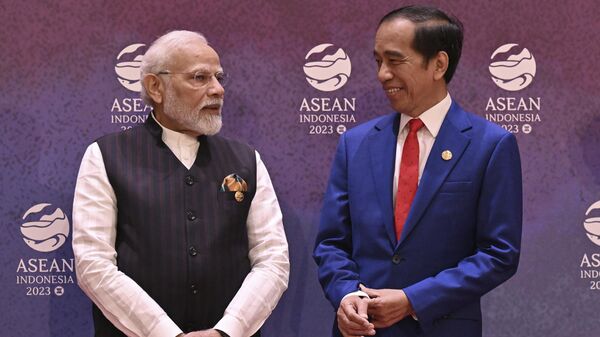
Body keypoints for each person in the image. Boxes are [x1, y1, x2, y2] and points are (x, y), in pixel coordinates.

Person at [313, 5, 522, 337]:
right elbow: (332, 243)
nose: (382, 74)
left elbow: (499, 254)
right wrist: (347, 295)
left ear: (438, 64)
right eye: (378, 61)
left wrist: (414, 300)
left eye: (395, 61)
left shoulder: (491, 145)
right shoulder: (355, 144)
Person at [72, 30, 289, 337]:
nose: (217, 90)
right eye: (200, 78)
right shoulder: (105, 156)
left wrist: (226, 331)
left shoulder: (246, 160)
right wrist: (164, 333)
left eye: (219, 77)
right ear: (156, 87)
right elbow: (93, 265)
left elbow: (273, 260)